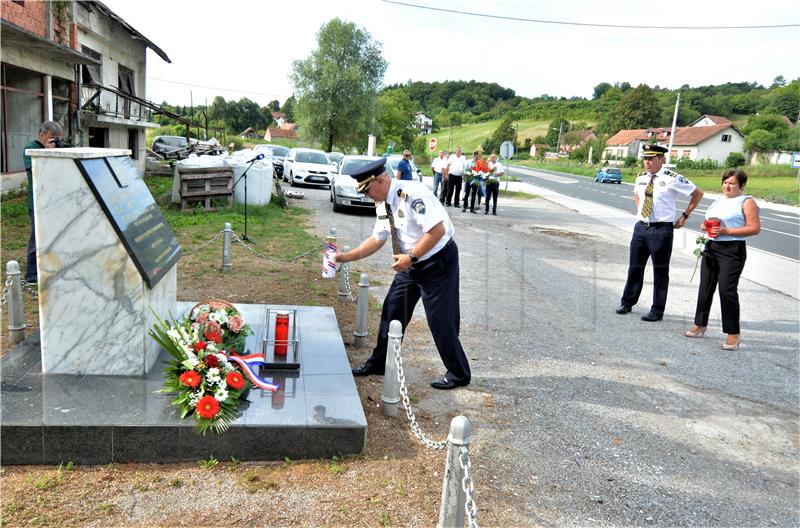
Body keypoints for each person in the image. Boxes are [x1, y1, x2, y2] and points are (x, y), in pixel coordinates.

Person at [337, 158, 471, 390]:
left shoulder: (411, 194)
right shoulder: (383, 202)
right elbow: (378, 238)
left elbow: (437, 230)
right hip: (411, 263)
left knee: (441, 321)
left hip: (437, 262)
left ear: (379, 180)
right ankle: (379, 364)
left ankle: (458, 373)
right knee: (392, 312)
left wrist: (412, 257)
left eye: (367, 190)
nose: (367, 195)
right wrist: (346, 258)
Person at [616, 144, 704, 321]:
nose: (647, 162)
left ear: (661, 159)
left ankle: (657, 310)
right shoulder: (641, 177)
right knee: (635, 267)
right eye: (645, 159)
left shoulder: (673, 178)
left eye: (651, 159)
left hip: (661, 229)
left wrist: (684, 216)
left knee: (660, 270)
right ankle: (627, 302)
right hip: (641, 227)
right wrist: (642, 213)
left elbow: (697, 193)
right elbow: (638, 196)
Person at [684, 170, 760, 350]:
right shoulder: (718, 200)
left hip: (732, 250)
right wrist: (705, 226)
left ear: (741, 185)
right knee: (705, 287)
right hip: (712, 246)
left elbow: (754, 228)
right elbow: (710, 221)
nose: (727, 186)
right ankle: (700, 323)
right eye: (725, 182)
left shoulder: (746, 202)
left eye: (732, 183)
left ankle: (733, 333)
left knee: (727, 290)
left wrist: (727, 232)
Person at [23, 121, 63, 284]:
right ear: (42, 134)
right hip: (37, 201)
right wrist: (47, 153)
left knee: (53, 236)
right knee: (37, 238)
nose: (54, 141)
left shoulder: (55, 147)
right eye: (52, 138)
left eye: (57, 139)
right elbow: (38, 170)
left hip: (54, 199)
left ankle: (50, 267)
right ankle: (32, 274)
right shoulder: (30, 149)